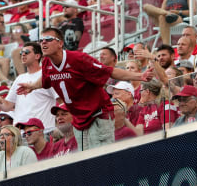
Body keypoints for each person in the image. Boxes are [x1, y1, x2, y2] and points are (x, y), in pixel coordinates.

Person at [17, 27, 154, 150]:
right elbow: (47, 78)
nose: (43, 43)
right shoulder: (47, 62)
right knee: (86, 164)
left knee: (101, 159)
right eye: (41, 40)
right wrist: (33, 86)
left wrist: (140, 75)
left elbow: (110, 71)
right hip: (79, 120)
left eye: (48, 39)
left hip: (98, 115)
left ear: (60, 43)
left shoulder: (79, 59)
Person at [0, 42, 58, 129]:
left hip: (42, 131)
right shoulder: (20, 78)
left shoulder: (46, 75)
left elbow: (60, 100)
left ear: (37, 56)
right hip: (21, 132)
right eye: (21, 53)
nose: (23, 54)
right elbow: (7, 106)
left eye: (26, 52)